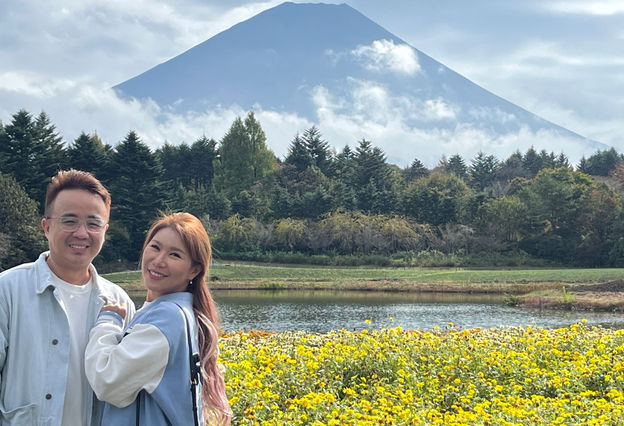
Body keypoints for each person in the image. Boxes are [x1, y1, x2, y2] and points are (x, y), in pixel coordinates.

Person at [0, 169, 135, 426]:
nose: (82, 233)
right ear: (46, 226)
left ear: (104, 231)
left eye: (93, 224)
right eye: (70, 221)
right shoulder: (7, 291)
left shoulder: (120, 302)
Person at [85, 212, 231, 425]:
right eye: (155, 247)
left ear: (194, 270)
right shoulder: (181, 312)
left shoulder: (166, 319)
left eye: (175, 255)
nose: (159, 261)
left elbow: (107, 382)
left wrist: (108, 321)